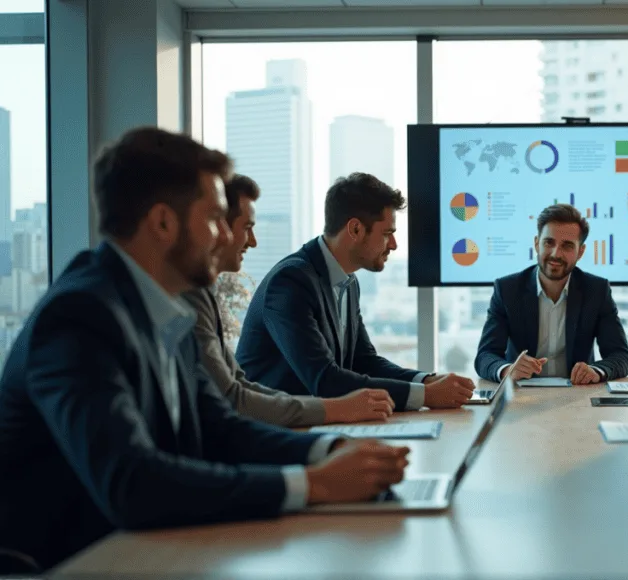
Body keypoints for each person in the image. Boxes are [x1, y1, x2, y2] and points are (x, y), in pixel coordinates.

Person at [0, 128, 410, 570]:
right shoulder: (80, 315)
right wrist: (313, 484)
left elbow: (218, 426)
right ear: (162, 223)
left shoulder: (159, 306)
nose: (226, 236)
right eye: (215, 218)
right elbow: (132, 483)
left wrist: (330, 451)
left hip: (145, 546)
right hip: (64, 562)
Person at [236, 172, 475, 410]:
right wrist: (426, 396)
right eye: (387, 233)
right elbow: (325, 380)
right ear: (356, 229)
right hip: (278, 431)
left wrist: (426, 380)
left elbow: (364, 361)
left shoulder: (348, 282)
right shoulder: (290, 282)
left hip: (319, 424)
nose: (393, 245)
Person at [182, 175, 395, 427]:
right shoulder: (290, 280)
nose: (253, 241)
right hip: (267, 432)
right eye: (246, 228)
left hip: (278, 429)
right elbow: (236, 398)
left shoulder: (201, 294)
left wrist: (425, 384)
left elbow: (238, 385)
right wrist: (335, 412)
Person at [475, 204, 628, 384]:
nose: (556, 254)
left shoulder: (596, 290)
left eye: (567, 246)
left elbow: (620, 356)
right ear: (536, 243)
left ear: (580, 252)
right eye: (549, 243)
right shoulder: (507, 289)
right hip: (522, 397)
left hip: (577, 396)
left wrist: (596, 371)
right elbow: (485, 356)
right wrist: (507, 370)